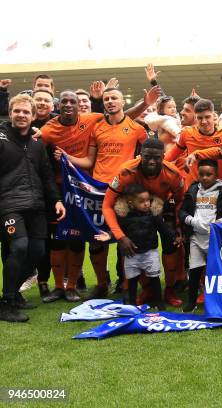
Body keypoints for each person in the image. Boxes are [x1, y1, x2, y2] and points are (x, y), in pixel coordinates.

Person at [59, 86, 161, 299]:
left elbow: (152, 155)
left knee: (126, 237)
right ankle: (101, 284)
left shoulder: (136, 128)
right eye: (106, 99)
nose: (110, 101)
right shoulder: (96, 128)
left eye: (114, 98)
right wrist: (66, 157)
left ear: (123, 102)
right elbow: (88, 160)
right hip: (97, 189)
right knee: (97, 239)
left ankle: (126, 284)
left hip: (124, 190)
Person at [0, 94, 66, 322]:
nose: (21, 115)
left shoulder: (38, 143)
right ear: (10, 113)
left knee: (37, 252)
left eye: (26, 112)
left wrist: (56, 199)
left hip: (36, 205)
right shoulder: (1, 137)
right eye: (17, 111)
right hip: (8, 204)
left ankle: (13, 293)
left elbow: (47, 175)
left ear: (33, 116)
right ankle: (6, 302)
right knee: (19, 247)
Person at [102, 138, 186, 307]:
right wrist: (120, 236)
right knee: (130, 246)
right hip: (133, 209)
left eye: (157, 157)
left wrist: (177, 227)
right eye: (147, 157)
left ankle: (169, 289)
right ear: (140, 155)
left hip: (162, 206)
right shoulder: (126, 172)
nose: (152, 161)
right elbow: (107, 205)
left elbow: (180, 201)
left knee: (172, 244)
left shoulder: (173, 174)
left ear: (164, 156)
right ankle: (145, 288)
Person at [40, 90, 105, 302]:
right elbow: (33, 147)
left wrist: (145, 103)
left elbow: (121, 116)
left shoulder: (92, 120)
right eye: (64, 101)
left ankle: (71, 287)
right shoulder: (48, 130)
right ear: (58, 106)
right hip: (58, 190)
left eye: (72, 102)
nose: (68, 104)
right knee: (58, 239)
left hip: (81, 188)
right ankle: (58, 286)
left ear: (79, 106)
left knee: (77, 239)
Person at [97, 183, 177, 309]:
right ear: (131, 203)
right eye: (142, 201)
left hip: (150, 253)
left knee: (154, 278)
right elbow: (118, 230)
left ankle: (159, 303)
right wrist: (109, 235)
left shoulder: (153, 216)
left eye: (148, 200)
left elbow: (164, 229)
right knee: (132, 280)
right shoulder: (124, 217)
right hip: (132, 254)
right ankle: (132, 305)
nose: (146, 204)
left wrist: (175, 237)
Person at [179, 159, 222, 312]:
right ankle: (191, 301)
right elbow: (182, 212)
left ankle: (221, 300)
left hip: (216, 238)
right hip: (196, 237)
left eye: (209, 174)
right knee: (195, 269)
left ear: (216, 175)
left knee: (219, 270)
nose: (205, 177)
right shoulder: (193, 189)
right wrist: (191, 221)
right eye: (201, 174)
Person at [165, 98, 222, 185]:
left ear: (214, 116)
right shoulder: (187, 133)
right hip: (193, 189)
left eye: (207, 117)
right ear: (195, 117)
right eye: (200, 118)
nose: (204, 121)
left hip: (219, 190)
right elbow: (171, 155)